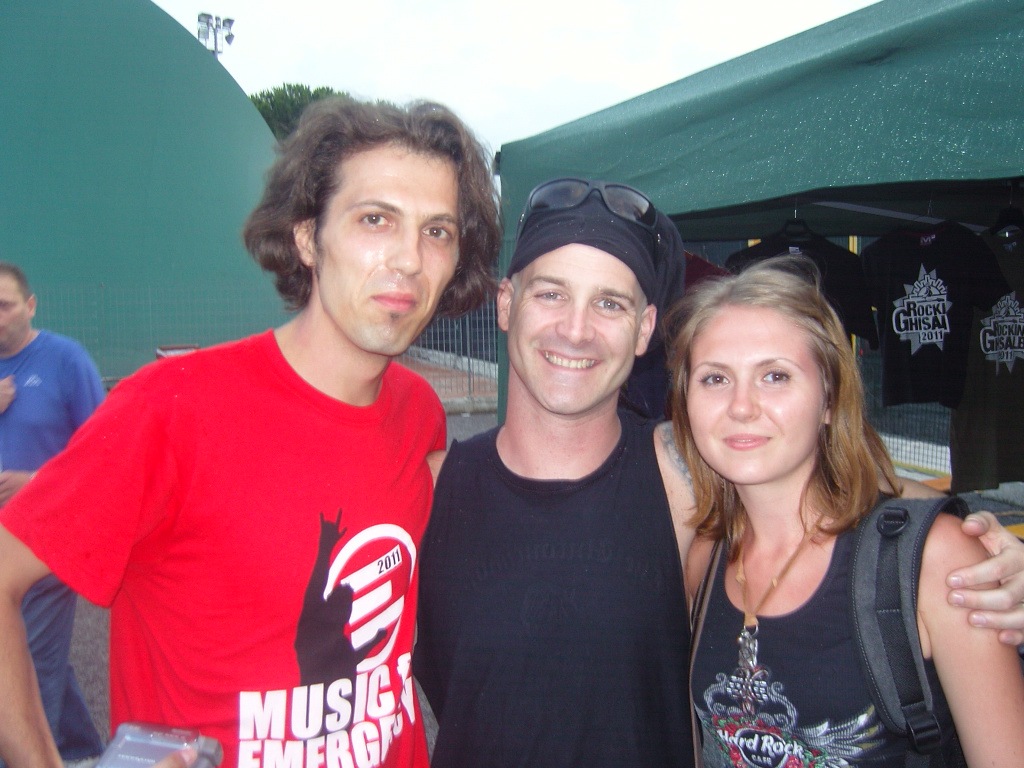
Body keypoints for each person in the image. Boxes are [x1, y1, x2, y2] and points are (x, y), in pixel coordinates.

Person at [413, 179, 1024, 768]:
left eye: (609, 303)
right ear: (505, 303)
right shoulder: (427, 491)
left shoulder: (678, 477)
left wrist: (975, 544)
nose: (575, 329)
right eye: (551, 294)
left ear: (644, 329)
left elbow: (830, 479)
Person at [0, 97, 501, 768]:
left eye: (437, 231)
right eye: (375, 219)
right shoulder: (172, 408)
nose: (409, 259)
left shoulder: (419, 413)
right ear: (307, 237)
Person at [674, 257, 1024, 766]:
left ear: (829, 400)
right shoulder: (705, 559)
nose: (741, 406)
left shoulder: (935, 562)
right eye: (714, 379)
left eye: (775, 375)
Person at [0, 262, 106, 767]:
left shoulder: (66, 360)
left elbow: (103, 452)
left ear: (31, 306)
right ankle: (85, 751)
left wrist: (36, 482)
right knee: (42, 662)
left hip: (45, 546)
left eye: (5, 306)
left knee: (24, 673)